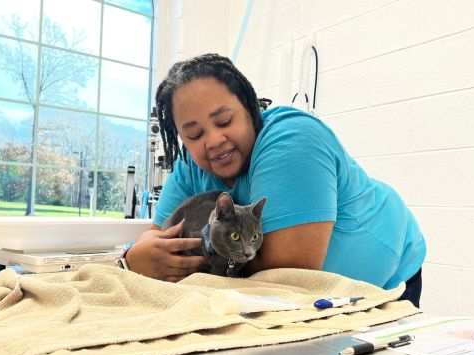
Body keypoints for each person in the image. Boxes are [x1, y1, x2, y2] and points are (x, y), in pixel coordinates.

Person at [125, 53, 426, 307]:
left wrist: (187, 266)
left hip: (386, 279)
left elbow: (284, 276)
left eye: (225, 121)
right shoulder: (191, 166)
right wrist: (133, 258)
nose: (214, 140)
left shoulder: (293, 141)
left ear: (251, 107)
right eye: (194, 134)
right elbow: (155, 244)